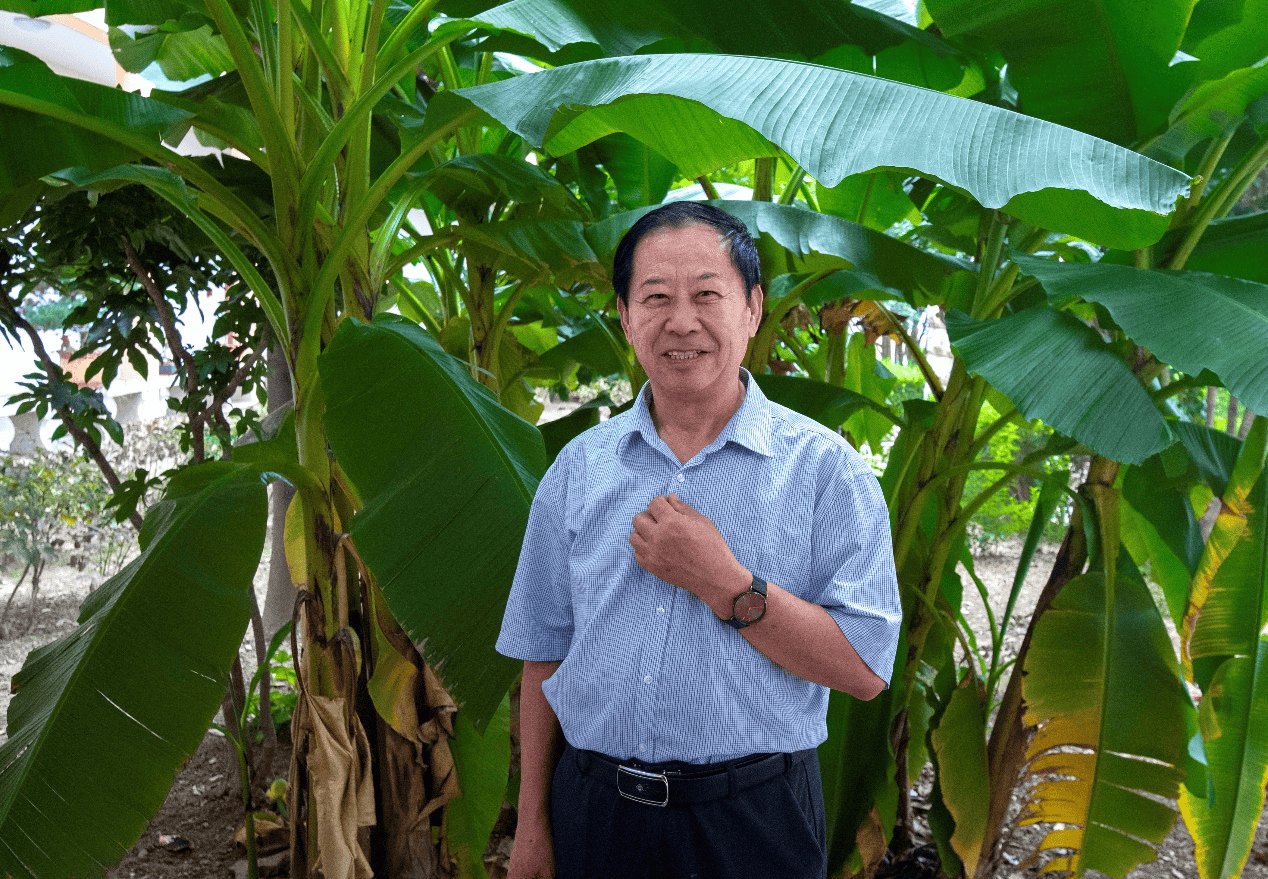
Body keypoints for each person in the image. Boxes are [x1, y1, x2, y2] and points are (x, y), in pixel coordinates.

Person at [496, 201, 901, 879]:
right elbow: (543, 652)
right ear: (625, 317)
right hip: (596, 813)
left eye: (707, 294)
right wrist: (533, 824)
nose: (681, 321)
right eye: (656, 297)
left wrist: (727, 584)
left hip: (752, 821)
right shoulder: (579, 468)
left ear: (753, 308)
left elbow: (864, 667)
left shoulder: (828, 472)